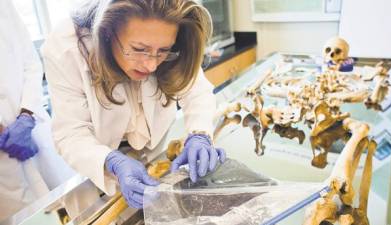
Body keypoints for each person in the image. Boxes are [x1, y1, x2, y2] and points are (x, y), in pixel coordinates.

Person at [41, 0, 226, 210]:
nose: (151, 64)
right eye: (139, 49)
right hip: (91, 163)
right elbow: (71, 132)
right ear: (108, 32)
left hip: (151, 152)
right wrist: (111, 161)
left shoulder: (175, 41)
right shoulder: (66, 48)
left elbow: (196, 92)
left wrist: (200, 134)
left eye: (163, 50)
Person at [0, 0, 75, 221]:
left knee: (69, 201)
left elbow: (30, 62)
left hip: (32, 126)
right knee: (25, 217)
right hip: (4, 162)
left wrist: (26, 114)